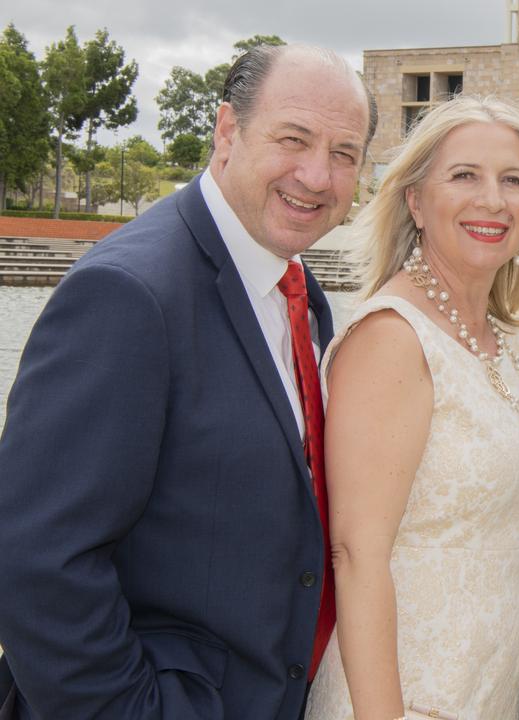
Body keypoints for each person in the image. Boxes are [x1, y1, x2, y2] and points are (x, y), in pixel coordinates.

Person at [0, 46, 375, 718]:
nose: (317, 175)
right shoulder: (128, 294)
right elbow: (37, 562)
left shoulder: (301, 294)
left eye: (344, 153)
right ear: (227, 132)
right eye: (294, 139)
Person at [302, 96, 519, 720]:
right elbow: (356, 554)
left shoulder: (507, 339)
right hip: (405, 698)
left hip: (496, 691)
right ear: (416, 201)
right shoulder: (392, 339)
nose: (493, 201)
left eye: (513, 180)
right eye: (464, 176)